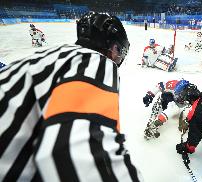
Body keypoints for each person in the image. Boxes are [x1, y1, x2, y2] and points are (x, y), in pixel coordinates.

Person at [0, 12, 142, 181]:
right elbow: (77, 157)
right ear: (112, 47)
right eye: (120, 53)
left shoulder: (56, 54)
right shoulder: (94, 61)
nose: (118, 61)